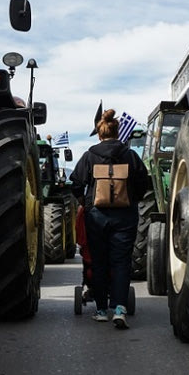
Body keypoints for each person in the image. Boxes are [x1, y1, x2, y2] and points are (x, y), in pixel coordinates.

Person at [70, 109, 150, 329]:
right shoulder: (130, 155)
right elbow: (144, 182)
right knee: (122, 261)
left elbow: (76, 182)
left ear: (99, 133)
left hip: (97, 215)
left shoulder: (90, 155)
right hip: (125, 215)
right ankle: (120, 309)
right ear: (118, 132)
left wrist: (84, 202)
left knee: (98, 261)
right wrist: (132, 199)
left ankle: (101, 309)